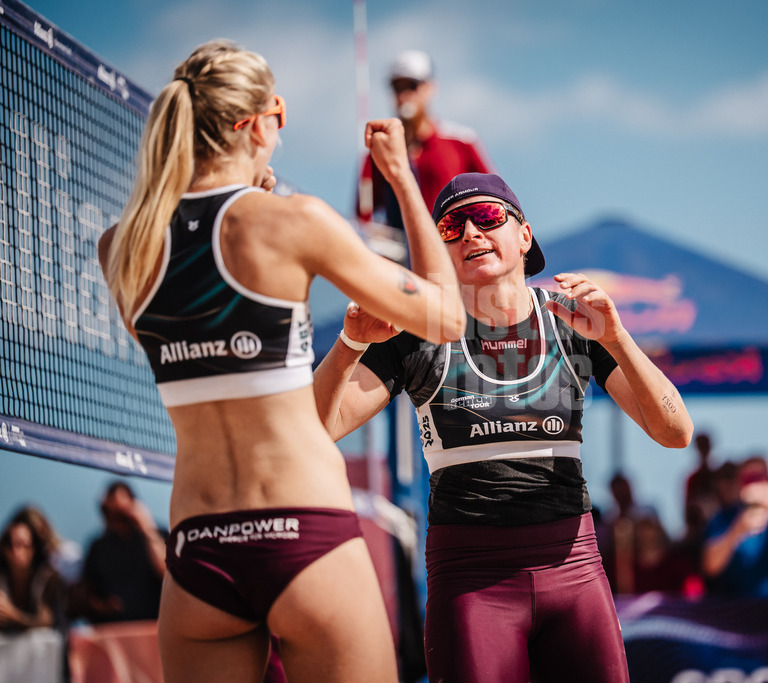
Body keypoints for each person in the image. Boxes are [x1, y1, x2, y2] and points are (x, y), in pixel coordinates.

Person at [97, 40, 465, 682]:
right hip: (303, 530)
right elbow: (447, 317)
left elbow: (220, 346)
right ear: (254, 124)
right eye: (279, 114)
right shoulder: (293, 223)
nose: (283, 129)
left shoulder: (121, 248)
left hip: (199, 547)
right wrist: (402, 178)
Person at [314, 171, 693, 682]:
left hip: (573, 570)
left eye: (487, 217)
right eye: (451, 227)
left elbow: (675, 432)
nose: (471, 233)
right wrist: (350, 344)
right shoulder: (415, 334)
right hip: (472, 579)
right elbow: (313, 432)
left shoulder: (573, 323)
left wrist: (618, 338)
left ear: (525, 235)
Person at [356, 50, 494, 233]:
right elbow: (363, 214)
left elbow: (493, 199)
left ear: (430, 88)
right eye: (398, 87)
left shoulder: (462, 142)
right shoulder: (380, 148)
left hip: (450, 243)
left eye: (412, 86)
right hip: (401, 248)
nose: (404, 94)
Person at [701, 456, 768, 598]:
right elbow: (710, 567)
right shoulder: (725, 518)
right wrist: (737, 530)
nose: (755, 485)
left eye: (760, 478)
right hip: (736, 606)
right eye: (748, 479)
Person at [70, 482, 166, 623]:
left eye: (122, 514)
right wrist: (103, 606)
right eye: (111, 514)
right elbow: (87, 595)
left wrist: (148, 529)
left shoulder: (158, 535)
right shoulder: (98, 547)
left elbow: (168, 574)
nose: (118, 522)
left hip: (155, 625)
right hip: (114, 628)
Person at [0, 508, 64, 632]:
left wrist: (13, 615)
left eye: (22, 545)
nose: (16, 552)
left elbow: (48, 621)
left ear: (35, 548)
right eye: (10, 544)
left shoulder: (47, 576)